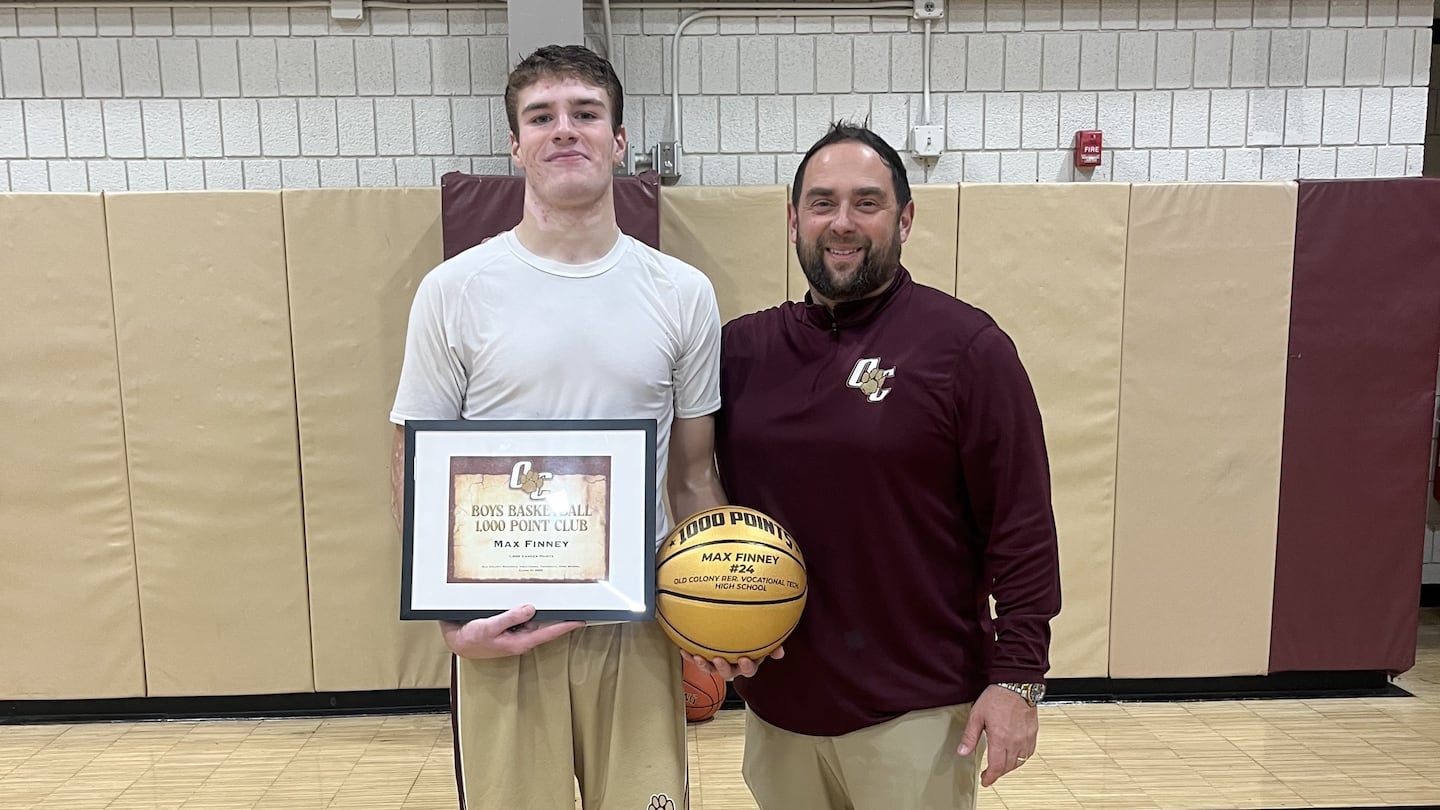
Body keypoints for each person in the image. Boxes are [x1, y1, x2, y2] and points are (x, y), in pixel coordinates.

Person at [388, 45, 726, 810]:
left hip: (636, 623)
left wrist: (711, 605)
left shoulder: (682, 293)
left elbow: (694, 473)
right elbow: (417, 461)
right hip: (504, 624)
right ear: (515, 144)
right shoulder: (454, 291)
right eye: (541, 117)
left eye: (585, 114)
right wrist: (450, 621)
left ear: (619, 140)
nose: (564, 131)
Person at [699, 121, 1062, 810]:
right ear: (792, 219)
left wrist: (1018, 680)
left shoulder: (966, 348)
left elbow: (1022, 526)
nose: (842, 223)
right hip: (777, 710)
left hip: (916, 712)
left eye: (866, 202)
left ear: (905, 218)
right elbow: (692, 489)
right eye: (822, 203)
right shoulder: (740, 353)